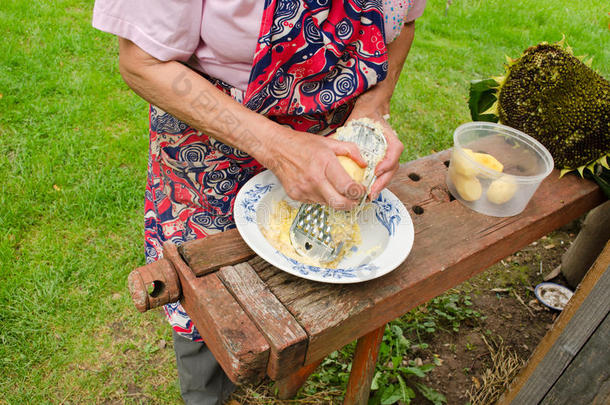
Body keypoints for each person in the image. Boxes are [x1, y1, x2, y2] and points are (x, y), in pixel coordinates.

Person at [92, 0, 426, 403]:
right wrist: (278, 147)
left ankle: (285, 370)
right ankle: (208, 392)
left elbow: (404, 25)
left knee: (304, 287)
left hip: (331, 147)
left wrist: (373, 106)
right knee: (211, 299)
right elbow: (141, 62)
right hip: (212, 146)